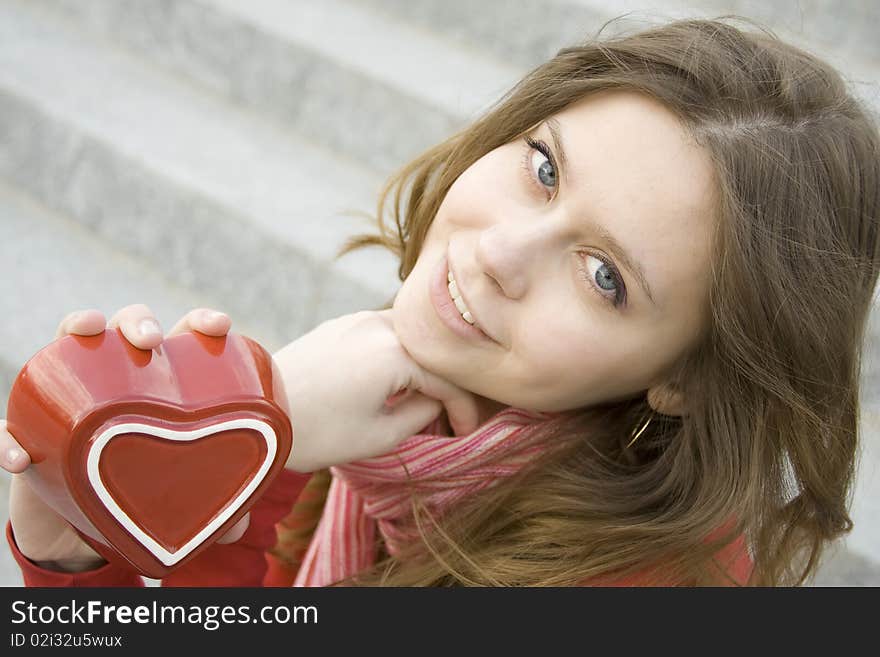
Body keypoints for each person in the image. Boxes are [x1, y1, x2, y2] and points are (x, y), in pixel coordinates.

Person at [3, 15, 879, 587]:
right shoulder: (403, 413)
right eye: (543, 168)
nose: (497, 253)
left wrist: (265, 425)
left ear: (681, 378)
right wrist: (78, 547)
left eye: (604, 275)